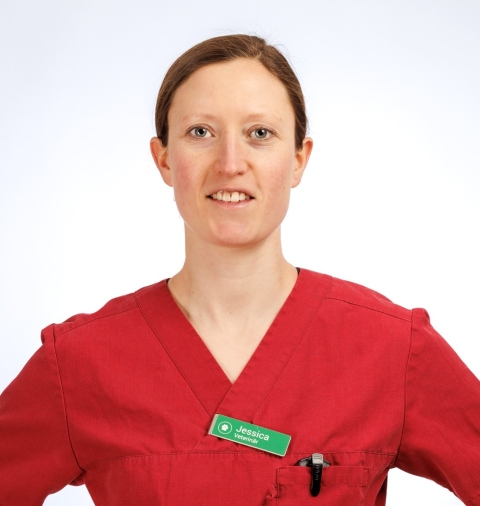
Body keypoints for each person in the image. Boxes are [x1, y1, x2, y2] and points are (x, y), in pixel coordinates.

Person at [0, 34, 479, 506]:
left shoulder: (390, 349)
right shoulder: (80, 364)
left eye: (260, 134)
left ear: (298, 159)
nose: (230, 164)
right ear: (163, 159)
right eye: (200, 132)